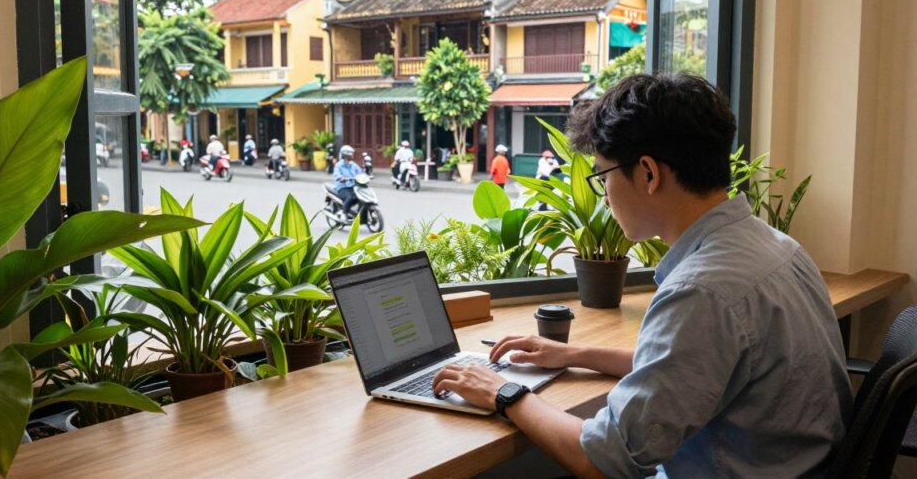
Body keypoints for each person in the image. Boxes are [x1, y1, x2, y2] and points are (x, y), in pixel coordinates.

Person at [432, 73, 851, 478]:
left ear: (649, 173)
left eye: (603, 175)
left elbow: (603, 461)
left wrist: (501, 392)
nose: (605, 194)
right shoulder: (777, 247)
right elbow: (697, 369)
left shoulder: (702, 291)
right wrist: (574, 355)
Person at [333, 145, 362, 220]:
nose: (352, 155)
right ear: (346, 154)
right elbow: (337, 175)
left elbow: (360, 173)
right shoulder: (339, 165)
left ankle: (358, 213)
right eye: (351, 153)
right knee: (350, 197)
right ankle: (344, 212)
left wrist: (367, 176)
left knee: (361, 197)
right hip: (342, 187)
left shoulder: (353, 164)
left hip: (353, 186)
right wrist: (341, 178)